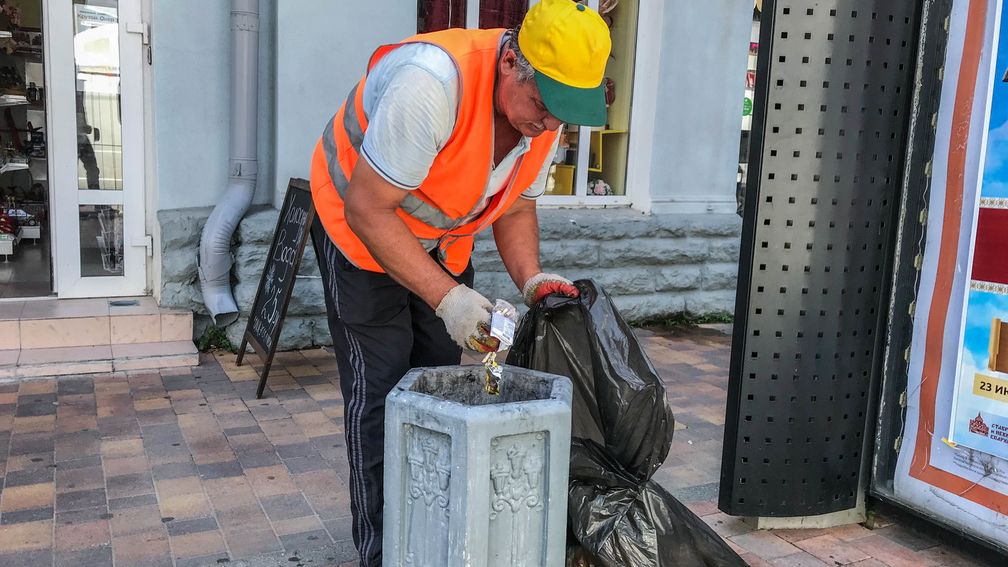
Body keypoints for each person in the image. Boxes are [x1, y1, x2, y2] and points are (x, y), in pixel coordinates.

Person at [309, 1, 611, 564]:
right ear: (511, 63)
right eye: (544, 106)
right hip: (358, 228)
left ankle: (428, 531)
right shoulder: (429, 86)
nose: (548, 125)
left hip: (440, 241)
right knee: (382, 394)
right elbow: (369, 210)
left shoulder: (540, 115)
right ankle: (383, 553)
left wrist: (534, 280)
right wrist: (449, 299)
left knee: (435, 384)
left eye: (561, 115)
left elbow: (516, 208)